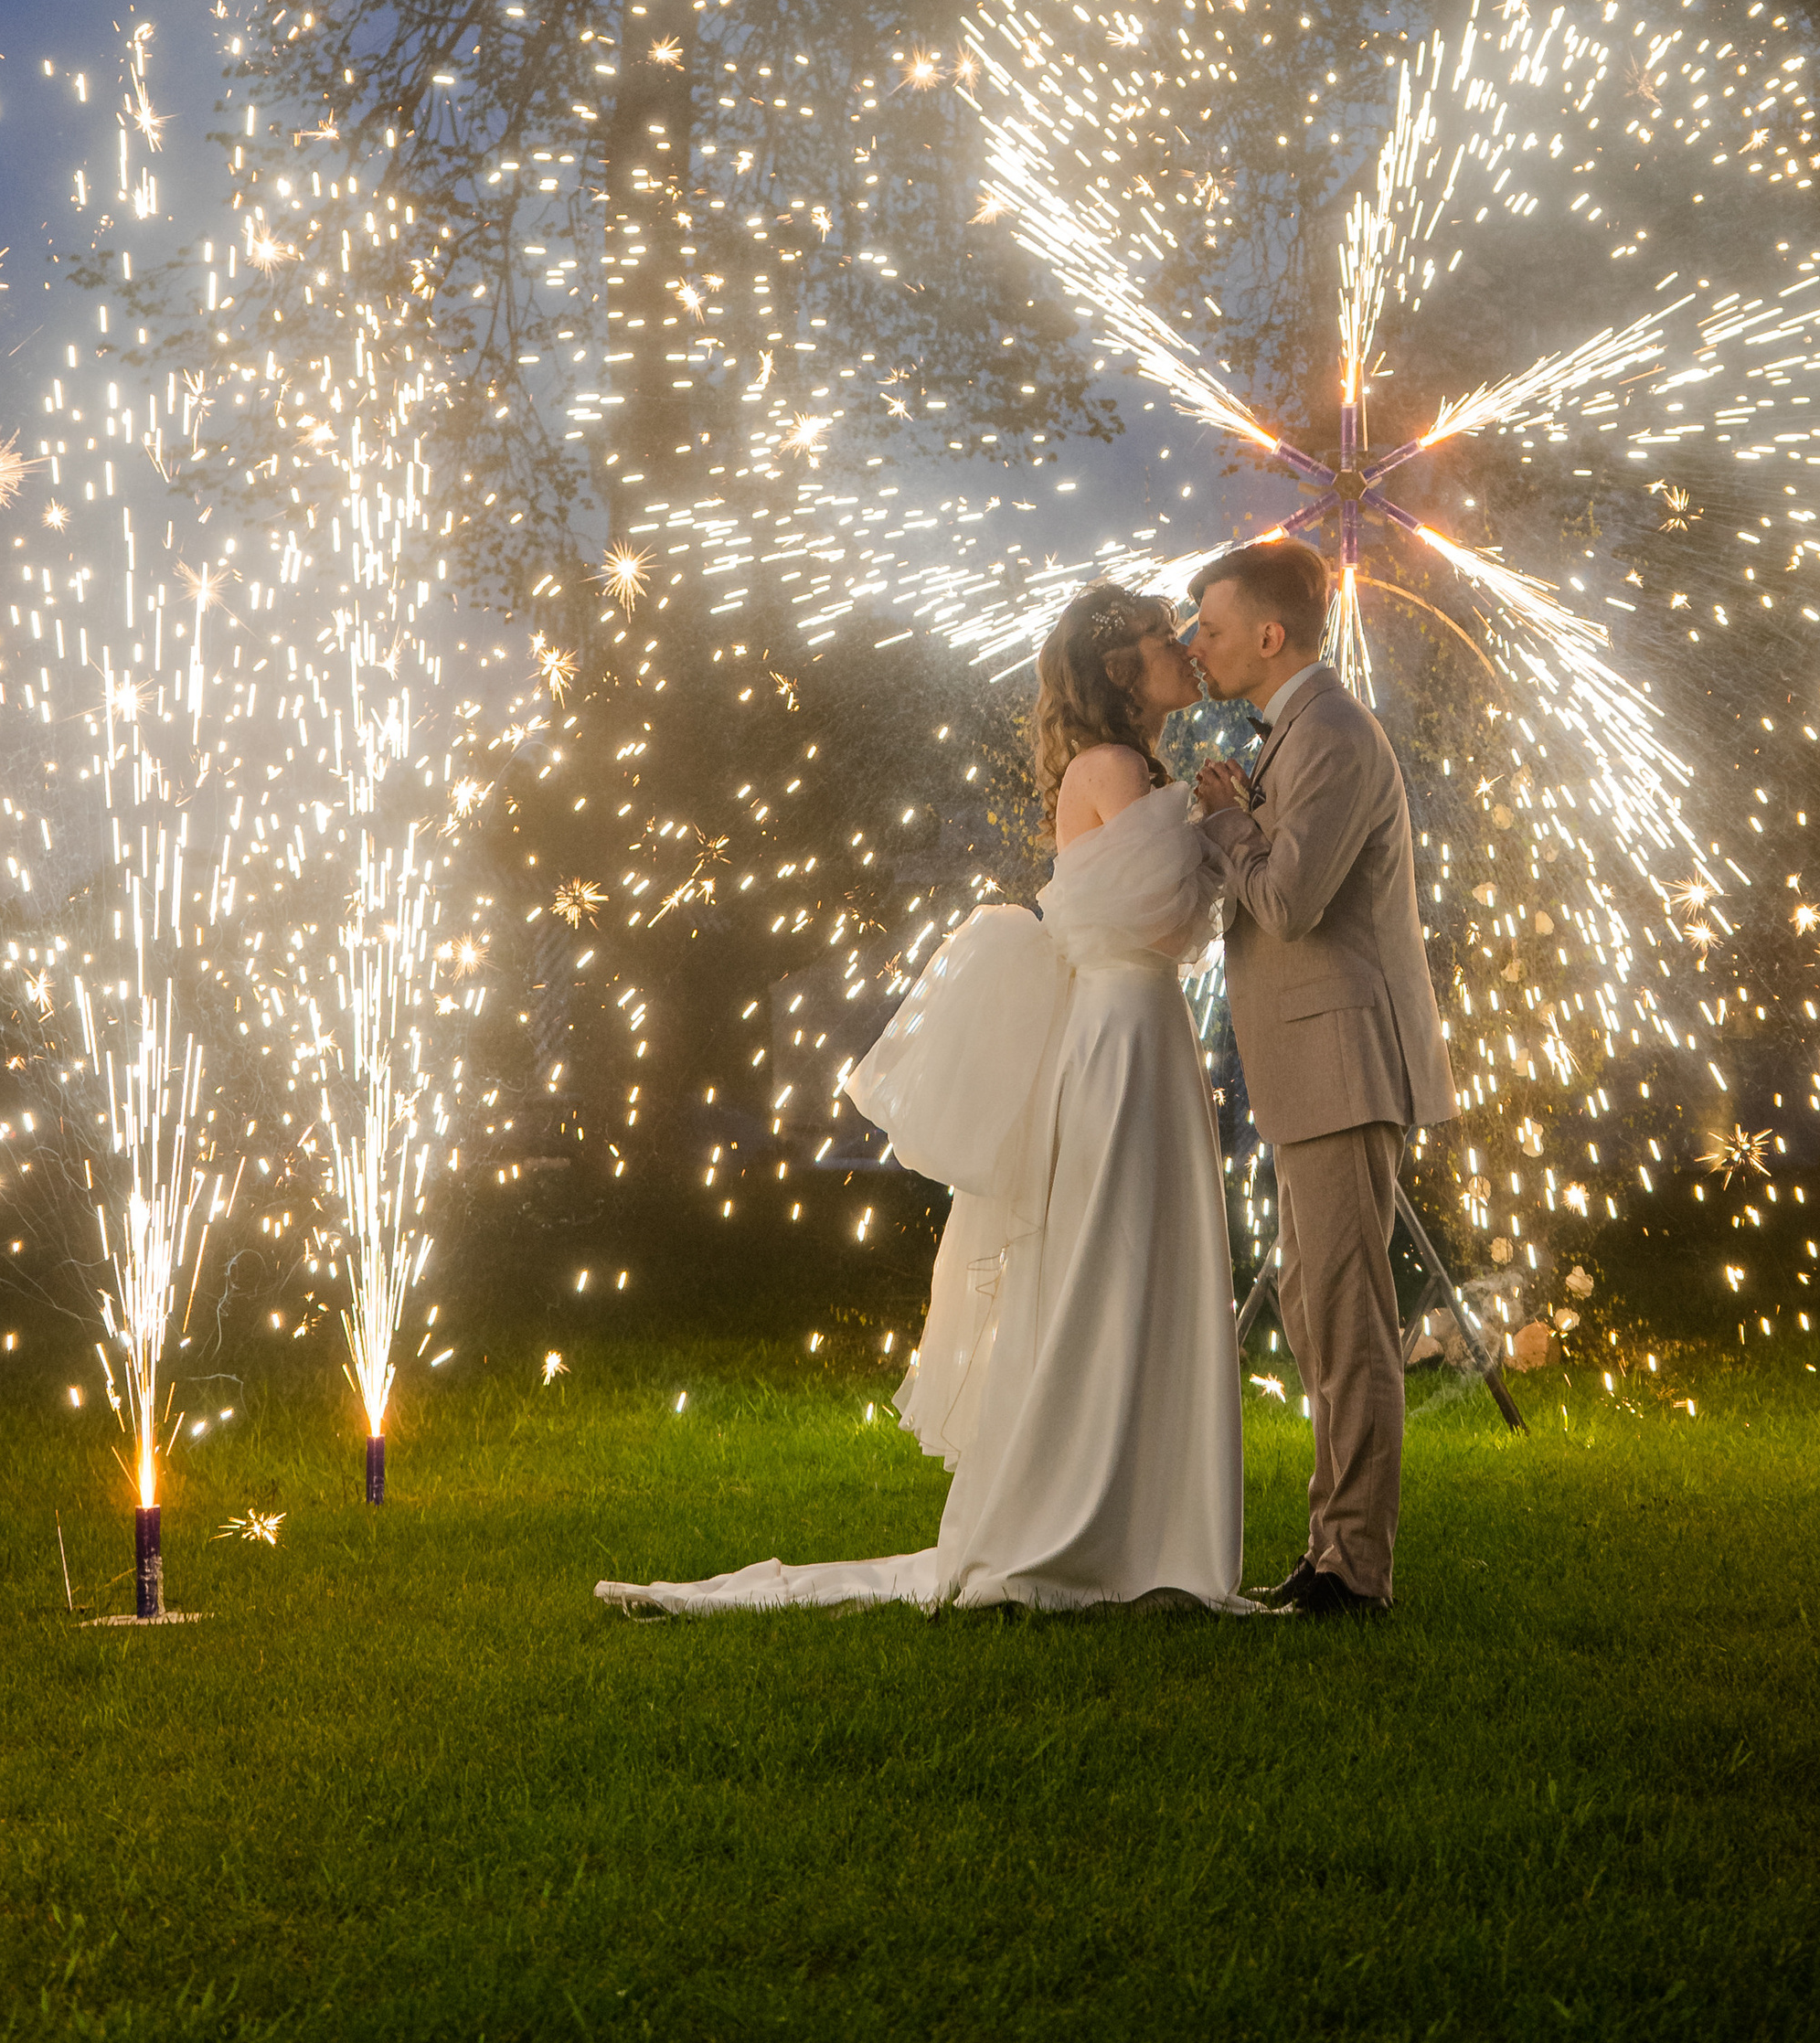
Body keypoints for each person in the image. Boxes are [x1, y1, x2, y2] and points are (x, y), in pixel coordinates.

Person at [594, 586, 1246, 1618]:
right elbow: (1167, 914)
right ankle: (1092, 1517)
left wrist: (1212, 825)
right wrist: (1227, 827)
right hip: (1120, 1038)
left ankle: (1130, 1508)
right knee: (1111, 1253)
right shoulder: (1116, 770)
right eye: (1164, 638)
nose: (1183, 650)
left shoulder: (1140, 772)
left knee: (1131, 1252)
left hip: (1141, 1033)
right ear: (1121, 669)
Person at [1188, 538, 1456, 1619]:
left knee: (1346, 1320)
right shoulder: (1299, 732)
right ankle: (1330, 1550)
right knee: (1315, 1310)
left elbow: (1291, 900)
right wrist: (1240, 808)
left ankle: (1354, 1570)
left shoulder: (1336, 735)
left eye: (1210, 627)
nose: (1196, 645)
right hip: (1312, 1063)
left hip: (1343, 1062)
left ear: (1269, 634)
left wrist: (1223, 820)